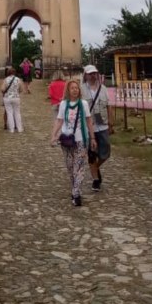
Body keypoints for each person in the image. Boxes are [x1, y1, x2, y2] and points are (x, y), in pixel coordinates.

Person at [51, 78, 96, 207]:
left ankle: (76, 194)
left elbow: (88, 121)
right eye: (72, 88)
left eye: (77, 88)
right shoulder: (64, 104)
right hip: (66, 140)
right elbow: (59, 121)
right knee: (70, 167)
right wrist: (54, 135)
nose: (75, 90)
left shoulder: (84, 104)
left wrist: (92, 138)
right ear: (68, 90)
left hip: (81, 139)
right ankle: (74, 188)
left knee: (79, 167)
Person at [81, 64, 113, 192]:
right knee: (92, 154)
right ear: (86, 75)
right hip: (88, 126)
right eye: (90, 73)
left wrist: (111, 122)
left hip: (102, 124)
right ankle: (95, 180)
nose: (93, 75)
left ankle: (95, 167)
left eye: (95, 73)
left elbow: (109, 105)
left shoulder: (103, 88)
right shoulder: (81, 89)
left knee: (105, 153)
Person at [1, 67, 24, 133]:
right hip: (16, 97)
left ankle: (12, 129)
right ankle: (19, 128)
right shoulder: (18, 79)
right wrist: (16, 92)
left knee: (9, 113)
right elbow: (21, 89)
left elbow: (2, 89)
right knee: (17, 112)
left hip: (7, 98)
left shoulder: (6, 79)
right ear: (14, 72)